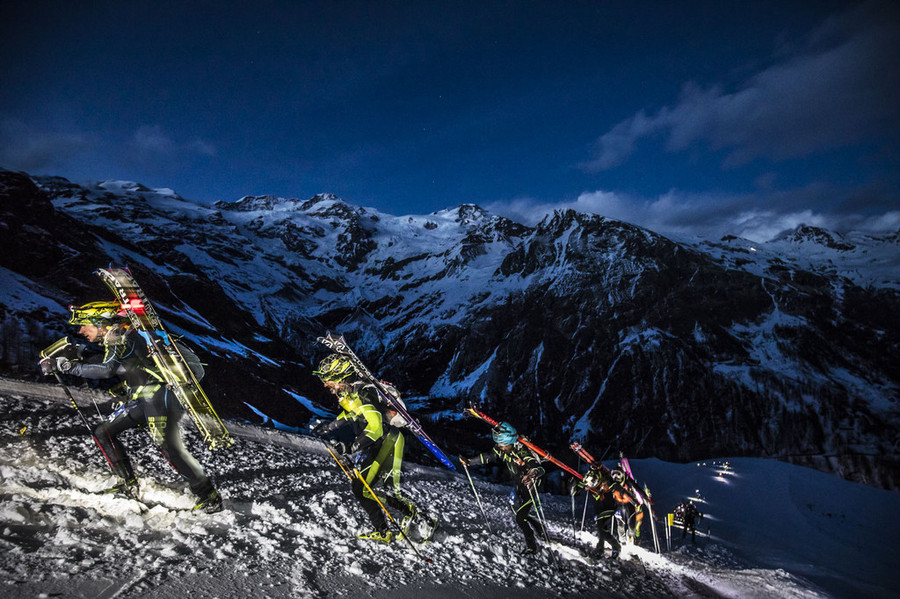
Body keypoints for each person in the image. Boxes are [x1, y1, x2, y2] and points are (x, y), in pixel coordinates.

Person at [39, 301, 222, 512]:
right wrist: (82, 356)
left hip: (160, 396)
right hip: (143, 397)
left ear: (100, 323)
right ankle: (127, 485)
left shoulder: (123, 337)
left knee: (167, 447)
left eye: (84, 325)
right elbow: (118, 364)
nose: (80, 331)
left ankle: (209, 498)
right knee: (103, 432)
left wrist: (68, 366)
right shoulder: (119, 338)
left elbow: (107, 369)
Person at [313, 354, 424, 543]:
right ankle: (416, 523)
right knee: (387, 493)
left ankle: (395, 528)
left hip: (385, 440)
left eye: (328, 379)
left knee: (362, 488)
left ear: (340, 376)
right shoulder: (354, 391)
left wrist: (350, 447)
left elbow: (375, 428)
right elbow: (352, 414)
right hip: (387, 441)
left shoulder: (364, 392)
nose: (325, 384)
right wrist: (329, 427)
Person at [459, 421, 545, 555]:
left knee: (520, 518)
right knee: (517, 511)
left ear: (510, 442)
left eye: (502, 445)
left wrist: (532, 473)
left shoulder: (522, 450)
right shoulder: (503, 448)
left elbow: (537, 467)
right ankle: (541, 529)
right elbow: (488, 456)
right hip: (519, 485)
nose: (499, 447)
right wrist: (470, 461)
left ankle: (531, 546)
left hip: (531, 488)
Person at [570, 465, 628, 559]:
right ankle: (615, 546)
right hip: (599, 509)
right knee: (602, 530)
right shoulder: (589, 480)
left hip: (608, 506)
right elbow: (580, 485)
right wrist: (575, 488)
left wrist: (621, 491)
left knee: (601, 528)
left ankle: (601, 549)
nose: (592, 483)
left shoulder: (606, 481)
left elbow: (616, 486)